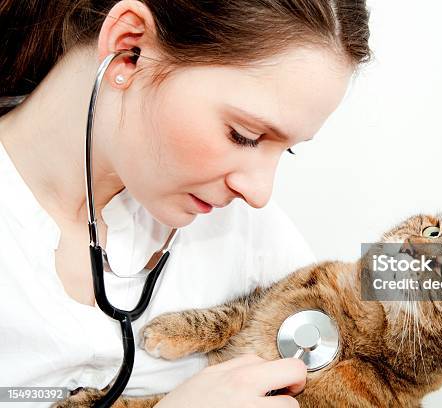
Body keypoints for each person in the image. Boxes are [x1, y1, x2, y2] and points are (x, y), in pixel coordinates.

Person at [0, 0, 370, 406]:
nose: (260, 193)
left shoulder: (245, 230)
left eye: (289, 150)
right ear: (129, 49)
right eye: (243, 135)